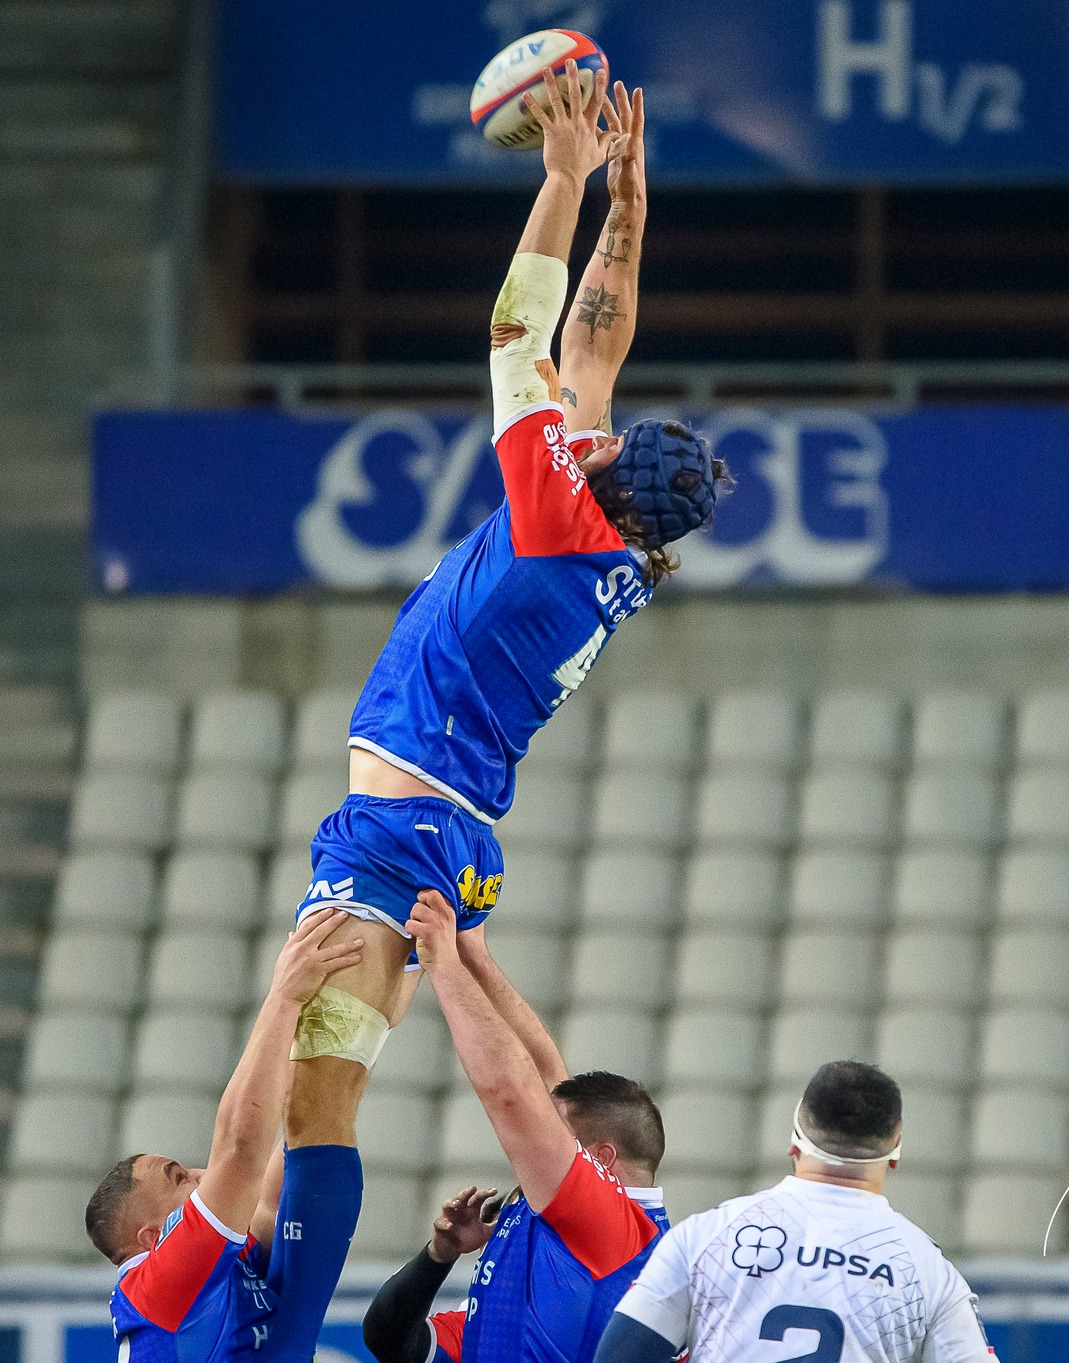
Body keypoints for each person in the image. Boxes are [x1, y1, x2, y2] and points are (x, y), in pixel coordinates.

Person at [282, 64, 723, 1147]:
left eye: (613, 440)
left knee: (312, 1097)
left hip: (405, 825)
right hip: (435, 820)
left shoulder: (555, 519)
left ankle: (282, 1293)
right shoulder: (606, 529)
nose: (602, 424)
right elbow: (594, 341)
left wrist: (564, 181)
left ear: (607, 484)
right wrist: (629, 209)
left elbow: (515, 338)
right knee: (318, 1085)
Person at [358, 888, 668, 1363]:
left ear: (603, 1160)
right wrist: (473, 952)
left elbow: (513, 1095)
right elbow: (389, 1341)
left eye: (556, 1136)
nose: (537, 1142)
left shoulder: (621, 1232)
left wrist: (444, 965)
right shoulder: (555, 1241)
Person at [82, 910, 367, 1363]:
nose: (201, 1174)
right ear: (153, 1240)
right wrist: (285, 996)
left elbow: (296, 1148)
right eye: (178, 1178)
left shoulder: (223, 1272)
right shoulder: (158, 1288)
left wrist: (362, 1022)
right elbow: (239, 1152)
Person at [597, 1061, 994, 1363]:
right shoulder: (928, 1271)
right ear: (895, 1152)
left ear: (794, 1142)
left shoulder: (707, 1234)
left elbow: (620, 1356)